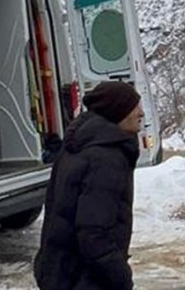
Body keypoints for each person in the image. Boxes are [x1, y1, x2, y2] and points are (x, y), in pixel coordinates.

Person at [34, 81, 144, 290]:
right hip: (85, 279)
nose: (141, 113)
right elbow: (94, 233)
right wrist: (121, 277)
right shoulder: (106, 157)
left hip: (59, 271)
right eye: (135, 107)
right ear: (117, 110)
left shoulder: (79, 144)